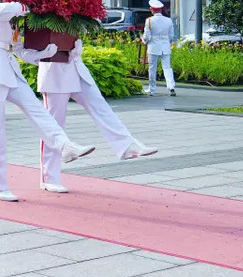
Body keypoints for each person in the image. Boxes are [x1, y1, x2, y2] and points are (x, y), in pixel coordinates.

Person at [0, 0, 94, 201]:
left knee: (38, 110)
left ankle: (64, 146)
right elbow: (8, 9)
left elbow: (18, 48)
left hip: (9, 67)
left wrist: (44, 54)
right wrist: (28, 4)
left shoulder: (9, 12)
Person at [37, 39, 157, 193]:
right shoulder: (33, 17)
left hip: (77, 68)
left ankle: (127, 145)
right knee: (54, 124)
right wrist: (45, 53)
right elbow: (26, 50)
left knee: (101, 107)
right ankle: (49, 178)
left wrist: (76, 46)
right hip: (54, 74)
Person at [142, 0, 177, 96]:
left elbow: (147, 36)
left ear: (152, 9)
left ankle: (152, 89)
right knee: (167, 67)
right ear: (161, 10)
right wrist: (167, 42)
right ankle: (171, 86)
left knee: (152, 68)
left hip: (153, 47)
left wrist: (143, 40)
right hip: (165, 46)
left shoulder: (149, 21)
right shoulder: (169, 20)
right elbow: (171, 36)